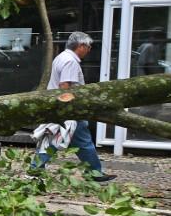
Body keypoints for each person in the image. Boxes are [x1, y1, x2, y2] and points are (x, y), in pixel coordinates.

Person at [32, 31, 115, 182]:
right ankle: (94, 173)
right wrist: (72, 109)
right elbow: (65, 86)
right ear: (81, 46)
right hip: (69, 111)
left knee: (79, 143)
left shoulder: (62, 57)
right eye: (88, 46)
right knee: (60, 142)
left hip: (63, 111)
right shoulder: (70, 61)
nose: (89, 50)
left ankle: (94, 172)